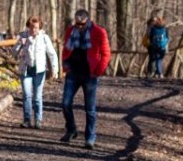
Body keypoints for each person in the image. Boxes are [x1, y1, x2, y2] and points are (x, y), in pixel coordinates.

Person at [60, 9, 111, 149]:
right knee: (65, 103)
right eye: (77, 24)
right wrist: (66, 66)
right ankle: (71, 129)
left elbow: (106, 54)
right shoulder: (70, 31)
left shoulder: (99, 32)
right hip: (73, 73)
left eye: (82, 24)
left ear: (88, 21)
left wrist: (98, 71)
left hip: (90, 74)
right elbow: (65, 49)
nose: (80, 27)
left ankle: (90, 137)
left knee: (90, 109)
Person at [14, 15, 59, 128]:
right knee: (27, 95)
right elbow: (13, 52)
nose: (33, 30)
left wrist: (55, 69)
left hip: (39, 71)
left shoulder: (44, 38)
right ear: (28, 26)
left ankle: (38, 120)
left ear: (39, 28)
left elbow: (52, 54)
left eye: (36, 27)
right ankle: (27, 119)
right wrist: (20, 44)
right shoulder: (23, 36)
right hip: (25, 70)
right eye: (31, 27)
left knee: (37, 96)